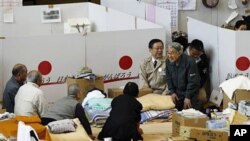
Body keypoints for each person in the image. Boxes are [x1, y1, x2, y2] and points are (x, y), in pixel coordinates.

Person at [166, 42, 201, 111]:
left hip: (190, 93)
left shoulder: (190, 61)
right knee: (175, 112)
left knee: (190, 113)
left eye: (172, 53)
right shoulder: (168, 61)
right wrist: (172, 92)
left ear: (179, 53)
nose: (170, 56)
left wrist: (188, 97)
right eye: (168, 53)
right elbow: (168, 77)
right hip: (177, 92)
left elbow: (193, 82)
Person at [185, 39, 210, 105]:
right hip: (183, 86)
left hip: (197, 85)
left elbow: (204, 75)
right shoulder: (181, 55)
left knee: (203, 98)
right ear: (189, 49)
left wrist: (197, 87)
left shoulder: (203, 58)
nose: (196, 56)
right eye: (194, 54)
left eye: (198, 54)